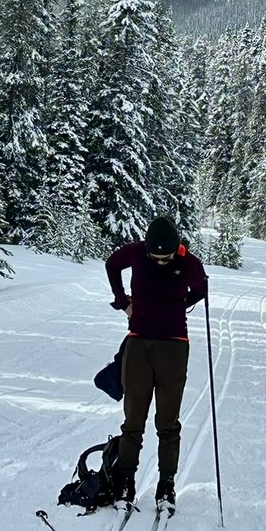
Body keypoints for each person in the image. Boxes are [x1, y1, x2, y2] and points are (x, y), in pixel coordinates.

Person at [105, 215, 208, 509]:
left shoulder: (189, 263)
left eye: (167, 257)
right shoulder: (137, 252)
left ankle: (166, 484)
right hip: (138, 342)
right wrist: (123, 301)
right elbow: (112, 265)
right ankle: (125, 481)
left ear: (176, 249)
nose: (161, 262)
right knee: (133, 419)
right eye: (156, 257)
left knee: (167, 421)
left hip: (174, 347)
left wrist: (176, 308)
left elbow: (201, 290)